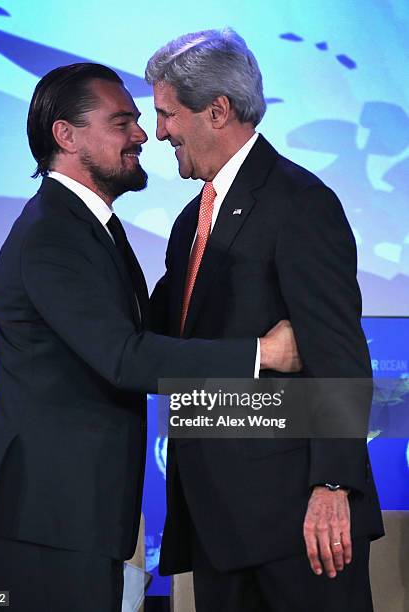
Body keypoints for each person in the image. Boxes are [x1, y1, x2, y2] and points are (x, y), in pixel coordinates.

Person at [0, 63, 299, 612]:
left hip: (73, 514)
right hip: (46, 517)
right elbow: (125, 357)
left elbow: (145, 326)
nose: (143, 135)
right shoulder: (54, 234)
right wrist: (264, 354)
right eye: (123, 122)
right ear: (66, 136)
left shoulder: (90, 225)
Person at [145, 29, 384, 611]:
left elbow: (339, 353)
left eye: (168, 113)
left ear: (218, 111)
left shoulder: (300, 203)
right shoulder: (188, 222)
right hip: (217, 522)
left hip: (297, 524)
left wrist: (332, 486)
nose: (159, 132)